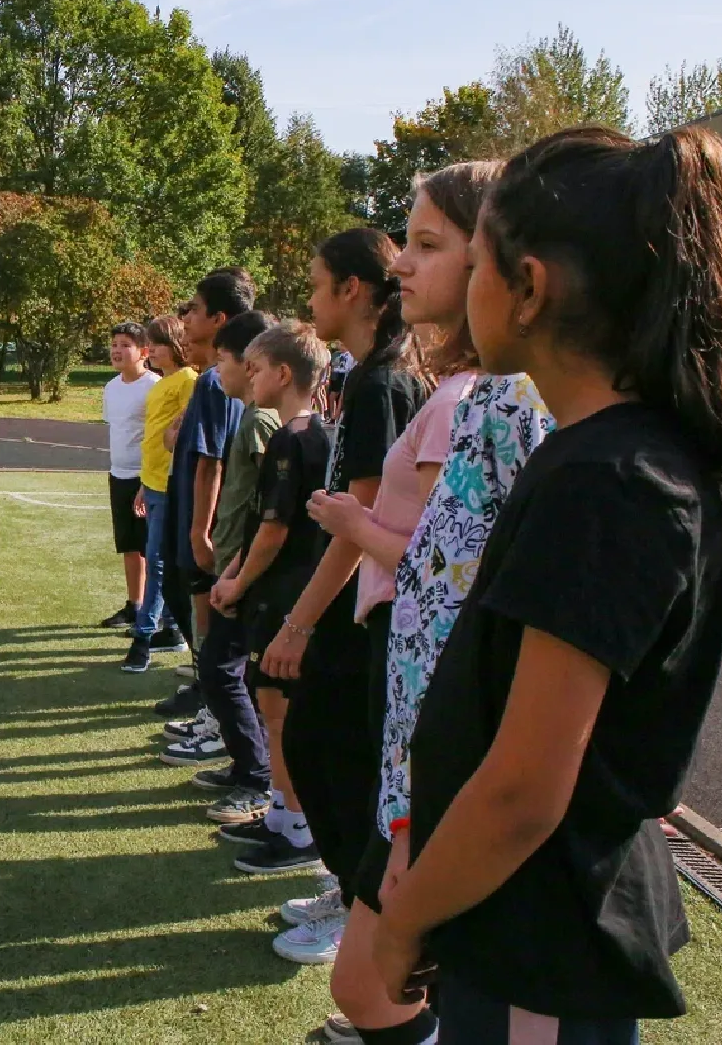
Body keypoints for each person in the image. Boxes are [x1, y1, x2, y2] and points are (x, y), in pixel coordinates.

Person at [373, 127, 722, 1042]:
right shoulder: (589, 456)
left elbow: (524, 791)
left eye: (478, 261)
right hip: (514, 917)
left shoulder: (609, 481)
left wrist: (402, 923)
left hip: (546, 938)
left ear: (529, 288)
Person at [307, 161, 547, 1045]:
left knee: (374, 984)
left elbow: (492, 608)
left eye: (426, 244)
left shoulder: (512, 404)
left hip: (458, 778)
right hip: (421, 769)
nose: (399, 263)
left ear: (502, 261)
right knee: (371, 986)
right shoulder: (482, 394)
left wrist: (353, 529)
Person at [259, 229, 427, 965]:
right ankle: (348, 887)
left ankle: (359, 910)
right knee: (322, 746)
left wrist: (298, 623)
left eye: (318, 283)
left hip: (371, 611)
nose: (309, 299)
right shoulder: (371, 374)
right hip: (367, 605)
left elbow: (361, 525)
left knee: (334, 754)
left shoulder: (380, 381)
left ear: (351, 290)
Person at [208, 323, 333, 879]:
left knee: (280, 713)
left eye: (256, 369)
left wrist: (237, 582)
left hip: (286, 591)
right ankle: (283, 814)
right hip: (283, 589)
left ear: (285, 375)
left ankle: (299, 827)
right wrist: (234, 569)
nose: (249, 377)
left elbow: (275, 531)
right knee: (272, 708)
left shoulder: (294, 439)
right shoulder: (310, 434)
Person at [161, 312, 281, 831]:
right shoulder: (247, 413)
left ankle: (258, 780)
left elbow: (268, 512)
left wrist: (231, 562)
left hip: (246, 569)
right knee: (219, 666)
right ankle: (245, 767)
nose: (219, 372)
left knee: (225, 669)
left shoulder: (260, 422)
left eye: (228, 363)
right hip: (236, 561)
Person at [152, 268, 254, 719]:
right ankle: (209, 682)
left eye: (194, 309)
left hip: (202, 514)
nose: (187, 318)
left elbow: (210, 460)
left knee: (195, 600)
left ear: (219, 318)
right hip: (204, 510)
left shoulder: (216, 382)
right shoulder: (215, 379)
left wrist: (198, 529)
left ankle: (210, 690)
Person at [124, 316, 196, 671]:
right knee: (158, 558)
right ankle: (172, 629)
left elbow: (182, 434)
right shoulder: (162, 383)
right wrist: (143, 484)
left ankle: (144, 636)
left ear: (176, 345)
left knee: (156, 560)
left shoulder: (188, 381)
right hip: (153, 482)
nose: (151, 351)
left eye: (158, 344)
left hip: (169, 486)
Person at [99, 322, 161, 631]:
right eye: (114, 343)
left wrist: (146, 480)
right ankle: (134, 605)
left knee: (150, 547)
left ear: (144, 352)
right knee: (128, 545)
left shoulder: (154, 386)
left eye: (125, 344)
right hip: (118, 476)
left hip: (146, 479)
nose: (117, 350)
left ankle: (155, 610)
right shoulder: (110, 387)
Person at [327, 347, 355, 421]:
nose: (341, 346)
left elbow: (349, 367)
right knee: (332, 396)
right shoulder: (336, 354)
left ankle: (339, 416)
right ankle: (333, 416)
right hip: (336, 376)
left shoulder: (350, 355)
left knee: (342, 396)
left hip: (345, 375)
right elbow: (332, 365)